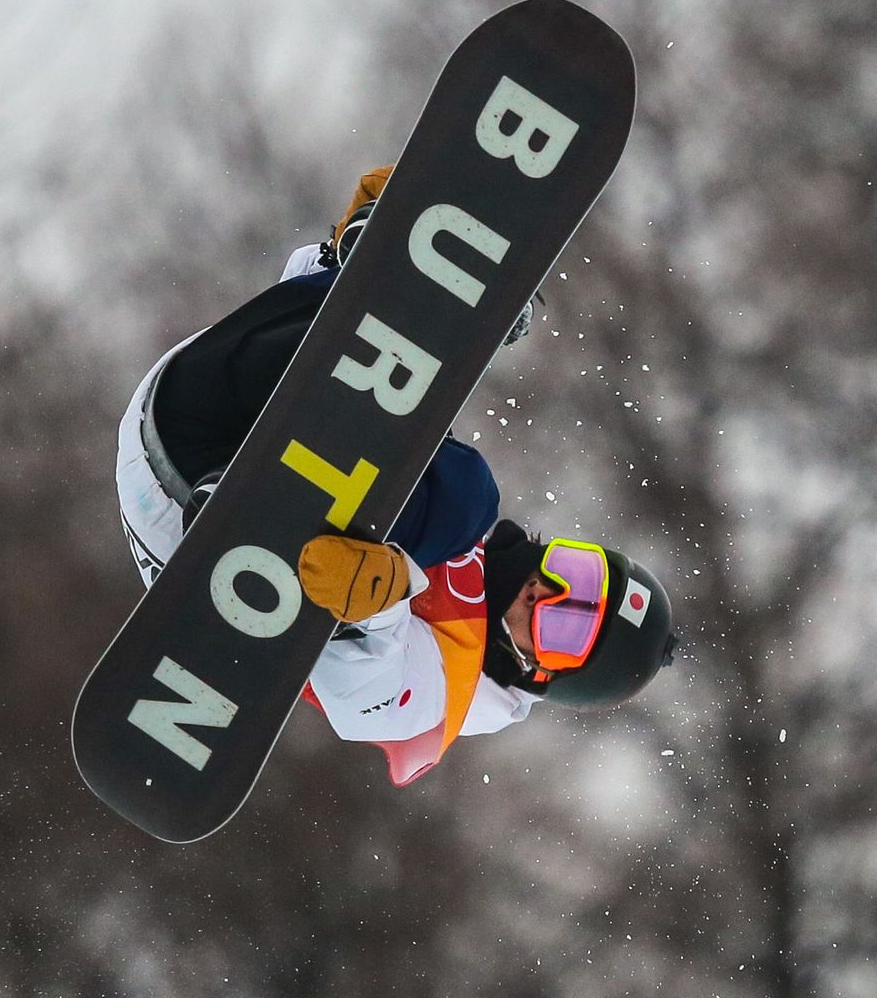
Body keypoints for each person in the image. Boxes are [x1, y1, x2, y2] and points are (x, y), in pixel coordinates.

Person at [114, 165, 676, 785]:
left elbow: (360, 696)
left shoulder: (446, 697)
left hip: (179, 514)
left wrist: (376, 608)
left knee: (464, 495)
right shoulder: (471, 546)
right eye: (576, 573)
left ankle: (256, 511)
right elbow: (372, 439)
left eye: (566, 626)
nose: (547, 592)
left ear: (541, 673)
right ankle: (363, 286)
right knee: (452, 479)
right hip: (201, 394)